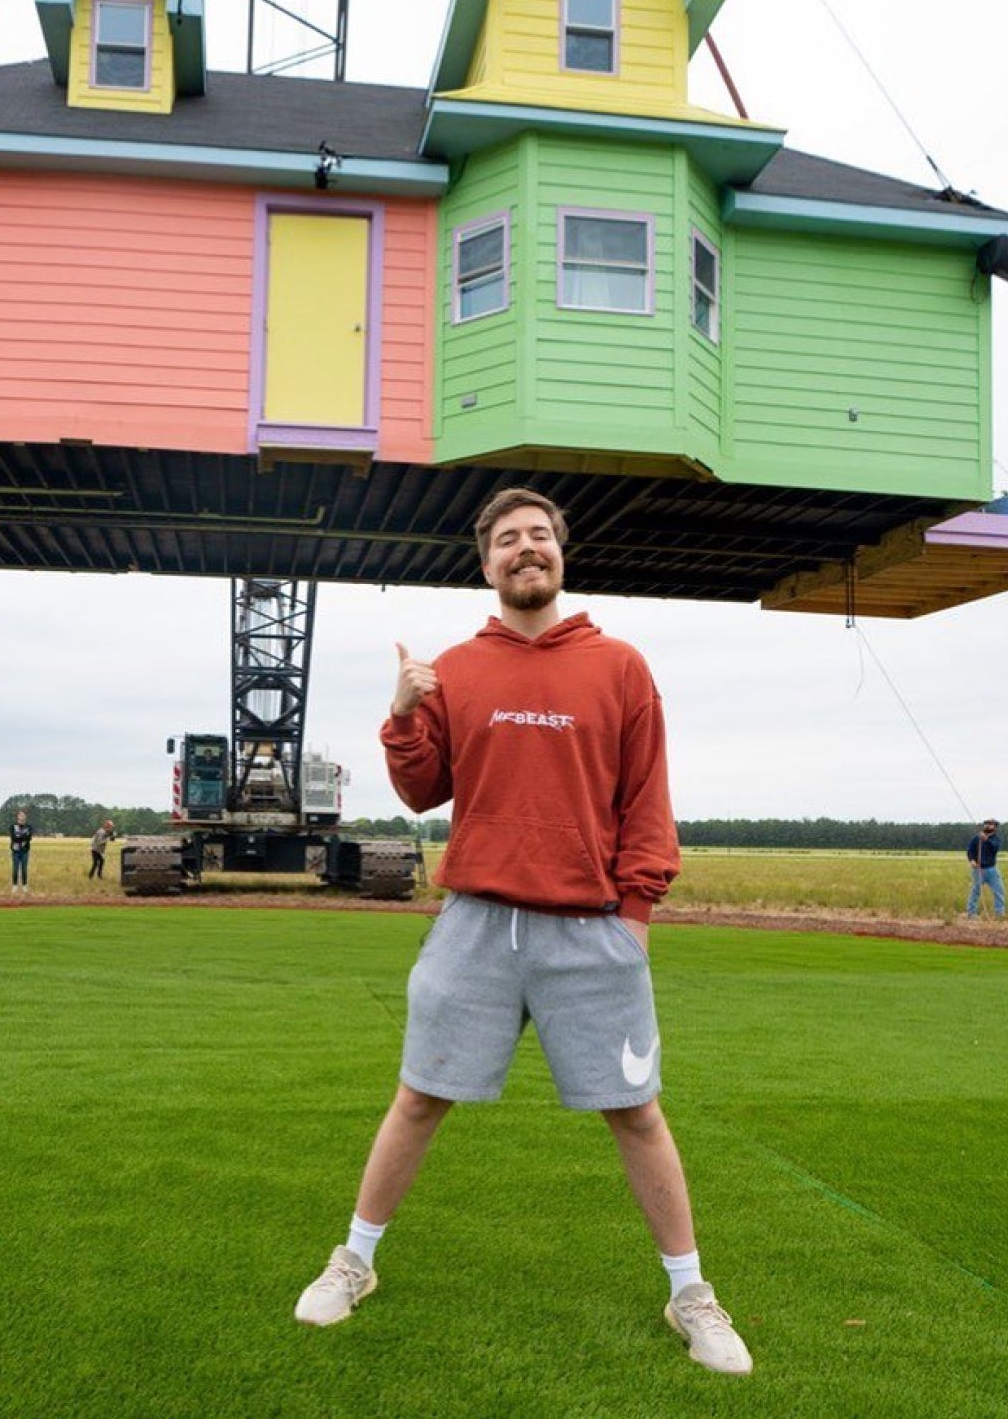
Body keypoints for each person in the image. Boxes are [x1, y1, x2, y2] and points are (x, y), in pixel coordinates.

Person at [293, 487, 752, 1377]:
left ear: (561, 554)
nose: (526, 548)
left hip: (592, 932)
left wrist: (637, 919)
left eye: (540, 535)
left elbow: (647, 801)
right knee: (419, 1096)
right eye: (508, 539)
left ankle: (690, 1293)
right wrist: (402, 714)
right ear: (487, 562)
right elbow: (421, 790)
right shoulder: (458, 669)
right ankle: (354, 1261)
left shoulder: (620, 666)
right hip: (476, 924)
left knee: (637, 1113)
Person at [966, 819, 1006, 917]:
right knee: (975, 892)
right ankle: (971, 913)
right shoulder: (976, 839)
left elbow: (994, 848)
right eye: (986, 824)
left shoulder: (996, 839)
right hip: (978, 870)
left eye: (990, 824)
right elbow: (970, 850)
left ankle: (999, 913)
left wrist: (986, 840)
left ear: (995, 827)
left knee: (999, 891)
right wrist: (972, 860)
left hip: (992, 870)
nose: (987, 826)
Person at [9, 808, 33, 896]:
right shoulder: (13, 827)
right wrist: (23, 837)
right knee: (15, 869)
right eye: (20, 815)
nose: (22, 817)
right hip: (15, 851)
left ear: (25, 817)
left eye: (23, 815)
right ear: (17, 817)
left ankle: (24, 886)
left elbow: (29, 838)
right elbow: (13, 838)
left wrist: (19, 837)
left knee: (24, 869)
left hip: (25, 851)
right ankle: (15, 886)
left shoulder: (29, 827)